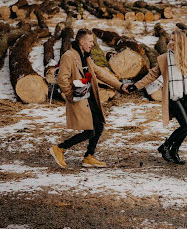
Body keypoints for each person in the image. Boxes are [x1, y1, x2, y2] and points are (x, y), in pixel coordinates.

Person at [50, 28, 130, 168]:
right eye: (90, 41)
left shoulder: (86, 56)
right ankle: (59, 148)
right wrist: (71, 95)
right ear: (81, 41)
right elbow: (62, 79)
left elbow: (99, 72)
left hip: (90, 96)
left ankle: (89, 156)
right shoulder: (69, 56)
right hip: (79, 97)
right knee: (90, 130)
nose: (92, 44)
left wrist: (119, 85)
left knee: (98, 126)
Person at [128, 30, 187, 164]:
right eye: (170, 40)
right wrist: (136, 86)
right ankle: (165, 147)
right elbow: (152, 75)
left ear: (181, 42)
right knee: (184, 125)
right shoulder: (164, 59)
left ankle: (174, 150)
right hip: (174, 95)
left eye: (173, 40)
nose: (170, 42)